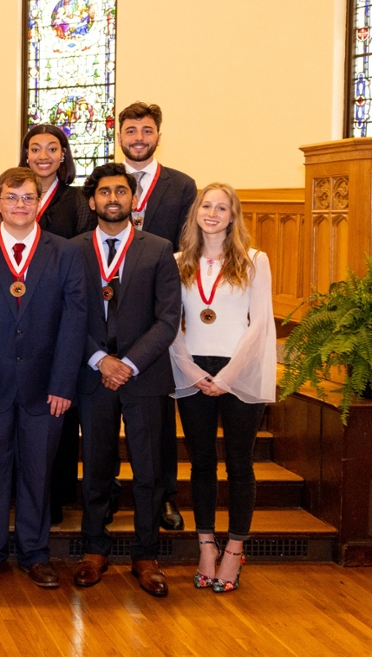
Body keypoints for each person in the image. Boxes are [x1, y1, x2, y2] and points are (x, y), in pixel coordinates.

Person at [0, 168, 87, 590]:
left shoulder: (66, 253)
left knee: (39, 472)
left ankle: (35, 553)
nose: (20, 205)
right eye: (12, 197)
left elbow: (75, 321)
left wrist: (63, 384)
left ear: (39, 203)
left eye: (28, 197)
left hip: (45, 387)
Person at [71, 163, 180, 598]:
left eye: (121, 191)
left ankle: (146, 554)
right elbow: (66, 315)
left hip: (144, 376)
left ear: (133, 199)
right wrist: (100, 359)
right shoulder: (71, 250)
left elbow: (169, 318)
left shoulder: (158, 248)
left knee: (149, 470)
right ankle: (95, 549)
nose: (112, 198)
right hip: (93, 375)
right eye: (104, 192)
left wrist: (128, 363)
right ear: (92, 199)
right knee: (96, 467)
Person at [168, 184, 276, 593]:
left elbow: (261, 323)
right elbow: (170, 323)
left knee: (239, 463)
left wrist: (229, 375)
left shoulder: (253, 261)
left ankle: (234, 549)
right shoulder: (178, 261)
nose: (212, 213)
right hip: (192, 367)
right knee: (200, 463)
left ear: (234, 216)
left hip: (240, 369)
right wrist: (191, 370)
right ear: (196, 212)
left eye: (222, 207)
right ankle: (206, 545)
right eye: (206, 206)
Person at [117, 101, 198, 531]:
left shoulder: (182, 186)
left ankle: (165, 495)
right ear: (120, 136)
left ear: (157, 136)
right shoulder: (105, 182)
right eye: (131, 131)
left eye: (146, 131)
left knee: (159, 416)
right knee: (108, 411)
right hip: (112, 308)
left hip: (161, 308)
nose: (139, 138)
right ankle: (110, 492)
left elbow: (189, 246)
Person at [20, 124, 95, 523]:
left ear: (64, 155)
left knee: (57, 409)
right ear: (26, 155)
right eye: (35, 149)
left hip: (60, 310)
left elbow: (84, 252)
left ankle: (57, 493)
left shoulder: (78, 200)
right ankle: (23, 492)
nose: (44, 155)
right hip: (18, 313)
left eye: (52, 148)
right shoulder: (18, 194)